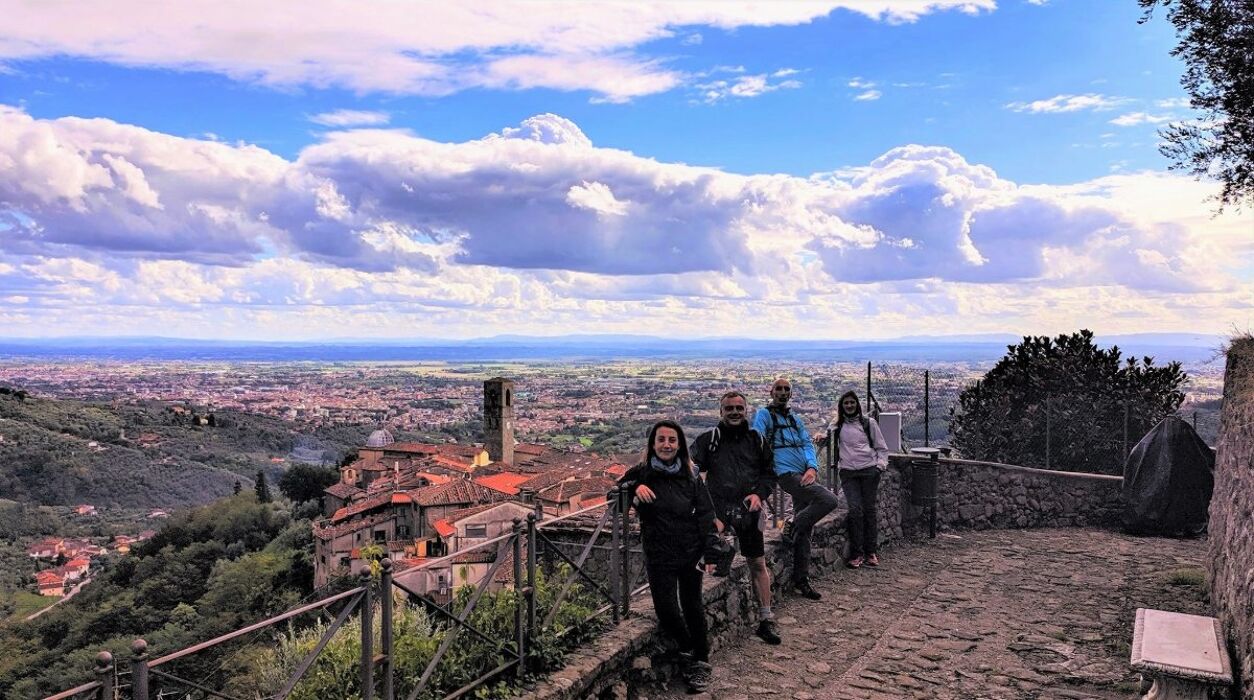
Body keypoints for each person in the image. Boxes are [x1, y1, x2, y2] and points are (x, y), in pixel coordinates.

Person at [620, 420, 722, 693]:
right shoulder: (641, 473)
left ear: (680, 445)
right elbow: (613, 496)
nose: (666, 445)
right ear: (653, 444)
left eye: (672, 440)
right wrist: (632, 490)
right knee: (666, 609)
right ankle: (690, 648)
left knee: (692, 605)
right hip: (659, 552)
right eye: (661, 440)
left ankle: (700, 661)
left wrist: (711, 550)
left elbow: (706, 514)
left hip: (691, 551)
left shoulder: (691, 475)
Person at [691, 391, 782, 645]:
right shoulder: (709, 440)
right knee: (705, 563)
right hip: (718, 511)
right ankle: (696, 620)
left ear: (746, 411)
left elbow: (769, 473)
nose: (734, 412)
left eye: (738, 408)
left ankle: (766, 619)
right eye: (729, 408)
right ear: (721, 412)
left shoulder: (757, 440)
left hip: (748, 510)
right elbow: (689, 471)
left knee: (757, 564)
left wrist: (759, 495)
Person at [752, 378, 839, 600]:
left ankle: (802, 580)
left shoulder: (794, 418)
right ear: (771, 391)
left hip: (803, 472)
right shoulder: (764, 415)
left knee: (805, 531)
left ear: (790, 394)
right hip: (785, 473)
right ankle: (791, 522)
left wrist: (812, 467)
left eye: (786, 390)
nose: (782, 392)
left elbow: (807, 444)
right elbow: (757, 439)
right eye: (779, 389)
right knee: (829, 500)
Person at [831, 390, 889, 569]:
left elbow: (881, 447)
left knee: (869, 510)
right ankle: (857, 553)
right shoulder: (838, 425)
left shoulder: (868, 423)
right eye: (846, 403)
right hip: (848, 472)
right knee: (855, 509)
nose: (849, 406)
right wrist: (821, 436)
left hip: (869, 471)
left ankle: (870, 551)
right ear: (842, 406)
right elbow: (828, 433)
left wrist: (880, 466)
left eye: (852, 403)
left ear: (857, 404)